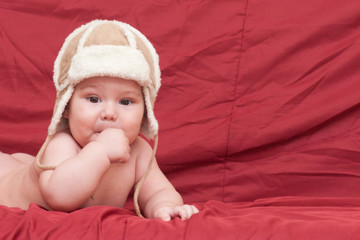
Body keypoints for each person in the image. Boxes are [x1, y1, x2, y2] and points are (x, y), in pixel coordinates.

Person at [0, 20, 199, 221]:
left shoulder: (139, 152)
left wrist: (165, 207)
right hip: (5, 187)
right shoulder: (63, 143)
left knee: (23, 163)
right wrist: (101, 151)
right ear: (67, 106)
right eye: (94, 99)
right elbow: (60, 198)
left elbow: (159, 191)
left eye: (126, 101)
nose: (109, 113)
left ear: (145, 112)